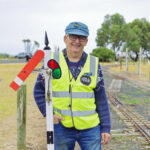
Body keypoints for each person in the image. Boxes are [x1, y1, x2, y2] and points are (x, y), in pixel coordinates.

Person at [34, 21, 111, 150]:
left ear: (86, 41)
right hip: (61, 127)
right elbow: (39, 90)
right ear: (65, 39)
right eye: (73, 37)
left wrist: (106, 127)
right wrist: (49, 114)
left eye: (81, 38)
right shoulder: (52, 61)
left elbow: (101, 98)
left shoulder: (94, 63)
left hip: (90, 129)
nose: (77, 41)